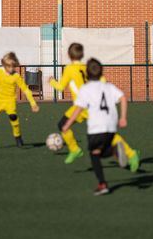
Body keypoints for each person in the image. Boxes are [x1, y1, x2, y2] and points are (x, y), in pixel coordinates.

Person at [49, 43, 139, 171]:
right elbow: (101, 80)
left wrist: (51, 81)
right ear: (82, 55)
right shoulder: (87, 67)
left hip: (82, 106)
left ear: (69, 55)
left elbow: (60, 87)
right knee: (108, 134)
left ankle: (75, 149)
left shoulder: (69, 69)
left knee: (63, 126)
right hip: (91, 106)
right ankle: (131, 153)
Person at [62, 58, 134, 195]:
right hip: (111, 126)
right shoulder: (109, 86)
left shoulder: (85, 89)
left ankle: (103, 183)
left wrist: (67, 124)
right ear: (101, 72)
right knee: (102, 149)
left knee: (95, 154)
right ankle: (114, 150)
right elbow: (123, 98)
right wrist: (123, 118)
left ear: (87, 74)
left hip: (96, 126)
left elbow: (78, 108)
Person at [0, 52, 40, 149]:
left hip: (10, 101)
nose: (11, 69)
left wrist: (33, 104)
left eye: (13, 66)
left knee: (13, 118)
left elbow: (25, 89)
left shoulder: (16, 76)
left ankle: (18, 138)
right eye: (9, 66)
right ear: (4, 65)